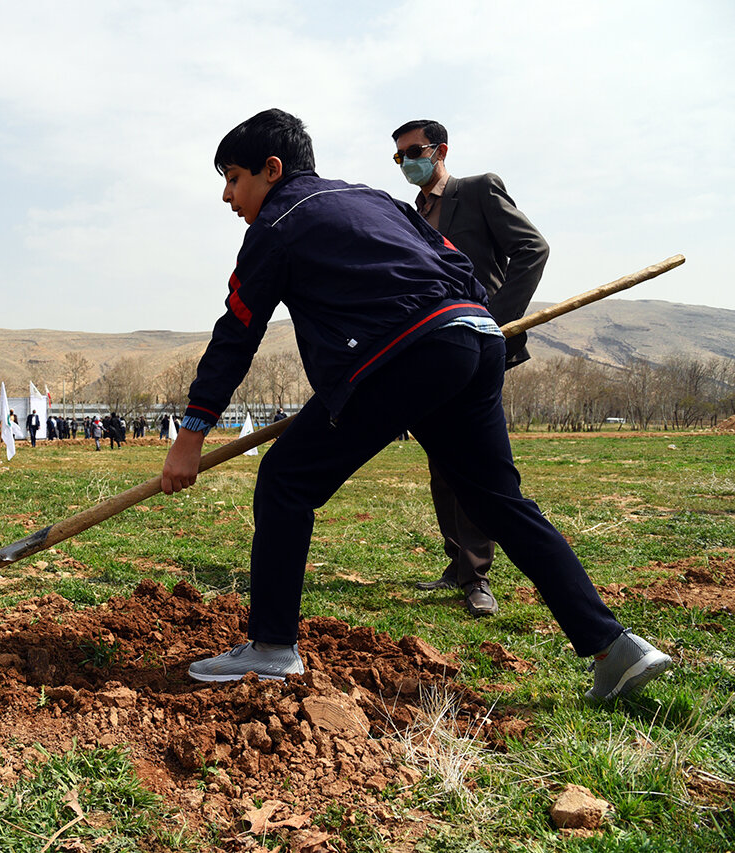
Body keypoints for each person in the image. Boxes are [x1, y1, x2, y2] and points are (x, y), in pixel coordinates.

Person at [160, 109, 670, 702]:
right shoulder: (375, 200)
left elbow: (238, 330)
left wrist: (192, 433)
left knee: (286, 480)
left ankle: (271, 648)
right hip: (474, 340)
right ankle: (615, 646)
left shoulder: (277, 224)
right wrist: (473, 322)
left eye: (233, 178)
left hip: (409, 353)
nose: (227, 195)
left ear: (271, 170)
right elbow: (455, 262)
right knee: (498, 501)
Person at [392, 119, 550, 619]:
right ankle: (457, 563)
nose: (406, 162)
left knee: (476, 461)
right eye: (398, 157)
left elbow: (533, 248)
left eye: (413, 151)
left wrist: (499, 320)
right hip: (431, 351)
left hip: (480, 344)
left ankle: (477, 578)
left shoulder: (478, 191)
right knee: (441, 459)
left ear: (440, 150)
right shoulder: (413, 212)